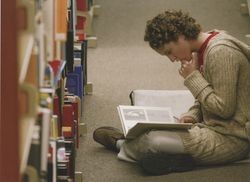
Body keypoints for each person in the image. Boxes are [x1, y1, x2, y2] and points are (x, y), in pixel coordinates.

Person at [93, 10, 250, 175]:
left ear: (180, 36)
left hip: (233, 139)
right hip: (210, 127)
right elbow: (208, 95)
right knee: (153, 132)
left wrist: (193, 78)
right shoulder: (203, 49)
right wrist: (193, 115)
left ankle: (121, 144)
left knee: (153, 141)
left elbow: (224, 109)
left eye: (169, 51)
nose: (172, 59)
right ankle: (173, 157)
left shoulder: (221, 53)